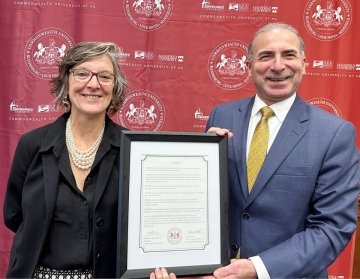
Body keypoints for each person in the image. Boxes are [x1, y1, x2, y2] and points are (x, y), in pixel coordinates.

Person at [151, 22, 360, 279]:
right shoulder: (222, 115)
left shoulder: (334, 134)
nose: (277, 65)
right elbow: (202, 203)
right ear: (249, 66)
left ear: (304, 63)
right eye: (266, 56)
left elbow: (332, 227)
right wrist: (199, 163)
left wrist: (257, 268)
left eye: (289, 55)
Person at [3, 42, 128, 278]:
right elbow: (14, 214)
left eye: (104, 76)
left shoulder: (133, 149)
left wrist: (212, 147)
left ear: (115, 87)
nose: (93, 84)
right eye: (82, 74)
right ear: (66, 81)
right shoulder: (32, 144)